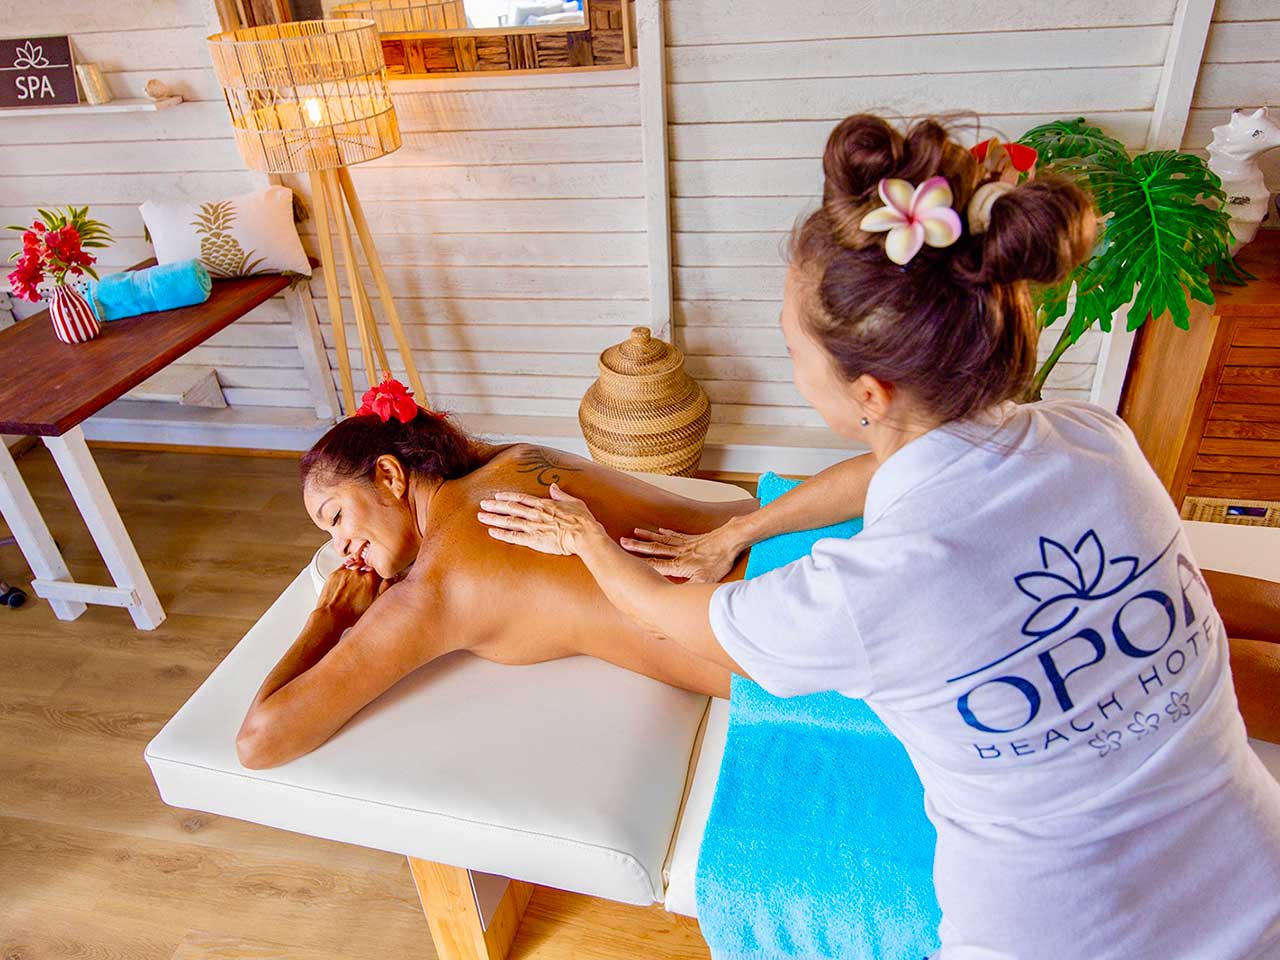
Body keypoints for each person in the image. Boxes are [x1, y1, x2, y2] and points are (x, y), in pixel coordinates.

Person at [477, 114, 1280, 959]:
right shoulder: (1096, 442)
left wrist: (586, 540)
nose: (792, 368)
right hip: (1256, 876)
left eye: (792, 349)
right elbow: (908, 466)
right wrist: (745, 525)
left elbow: (672, 616)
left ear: (869, 393)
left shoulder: (873, 587)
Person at [234, 381, 756, 771]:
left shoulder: (435, 590)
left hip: (759, 637)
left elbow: (259, 742)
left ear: (390, 475)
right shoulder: (520, 456)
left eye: (335, 517)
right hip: (778, 532)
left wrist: (331, 614)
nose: (340, 546)